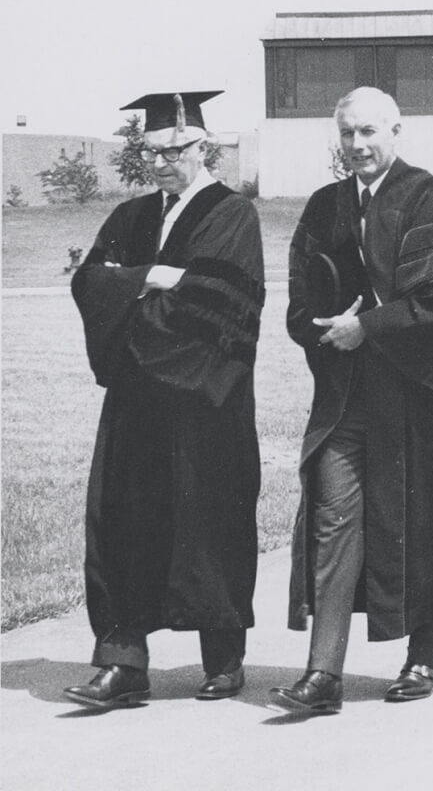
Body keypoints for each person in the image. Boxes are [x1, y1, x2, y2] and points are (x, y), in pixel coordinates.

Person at [270, 86, 433, 714]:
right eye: (348, 134)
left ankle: (424, 658)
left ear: (396, 130)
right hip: (346, 398)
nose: (358, 145)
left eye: (369, 132)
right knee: (334, 522)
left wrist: (368, 326)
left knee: (421, 522)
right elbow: (299, 303)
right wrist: (318, 326)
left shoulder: (432, 196)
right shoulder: (324, 206)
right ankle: (323, 673)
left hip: (418, 396)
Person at [65, 91, 265, 709]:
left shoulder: (231, 214)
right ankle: (124, 663)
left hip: (206, 398)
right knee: (123, 518)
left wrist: (137, 295)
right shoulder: (130, 216)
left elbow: (224, 301)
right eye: (151, 151)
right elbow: (91, 281)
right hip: (137, 403)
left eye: (175, 150)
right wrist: (150, 277)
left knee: (212, 518)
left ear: (203, 148)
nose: (162, 161)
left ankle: (224, 658)